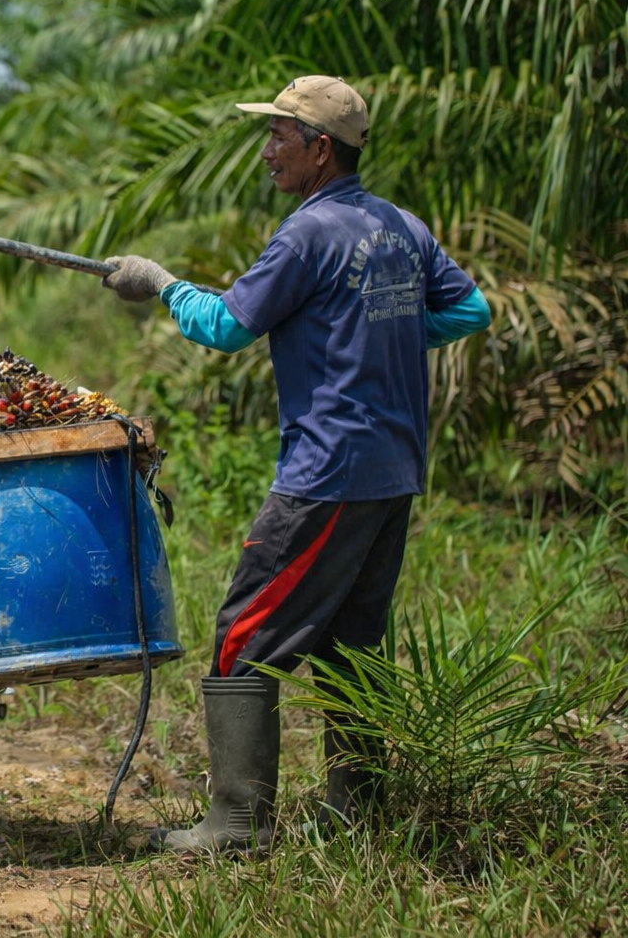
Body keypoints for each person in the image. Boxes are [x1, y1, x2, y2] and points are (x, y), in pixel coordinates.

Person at [103, 75, 491, 854]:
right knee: (353, 642)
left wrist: (160, 282)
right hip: (393, 469)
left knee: (244, 634)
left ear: (321, 149)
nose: (267, 150)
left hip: (326, 473)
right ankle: (361, 814)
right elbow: (469, 309)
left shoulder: (306, 236)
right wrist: (382, 333)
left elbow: (225, 327)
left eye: (279, 135)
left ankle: (237, 824)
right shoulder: (400, 227)